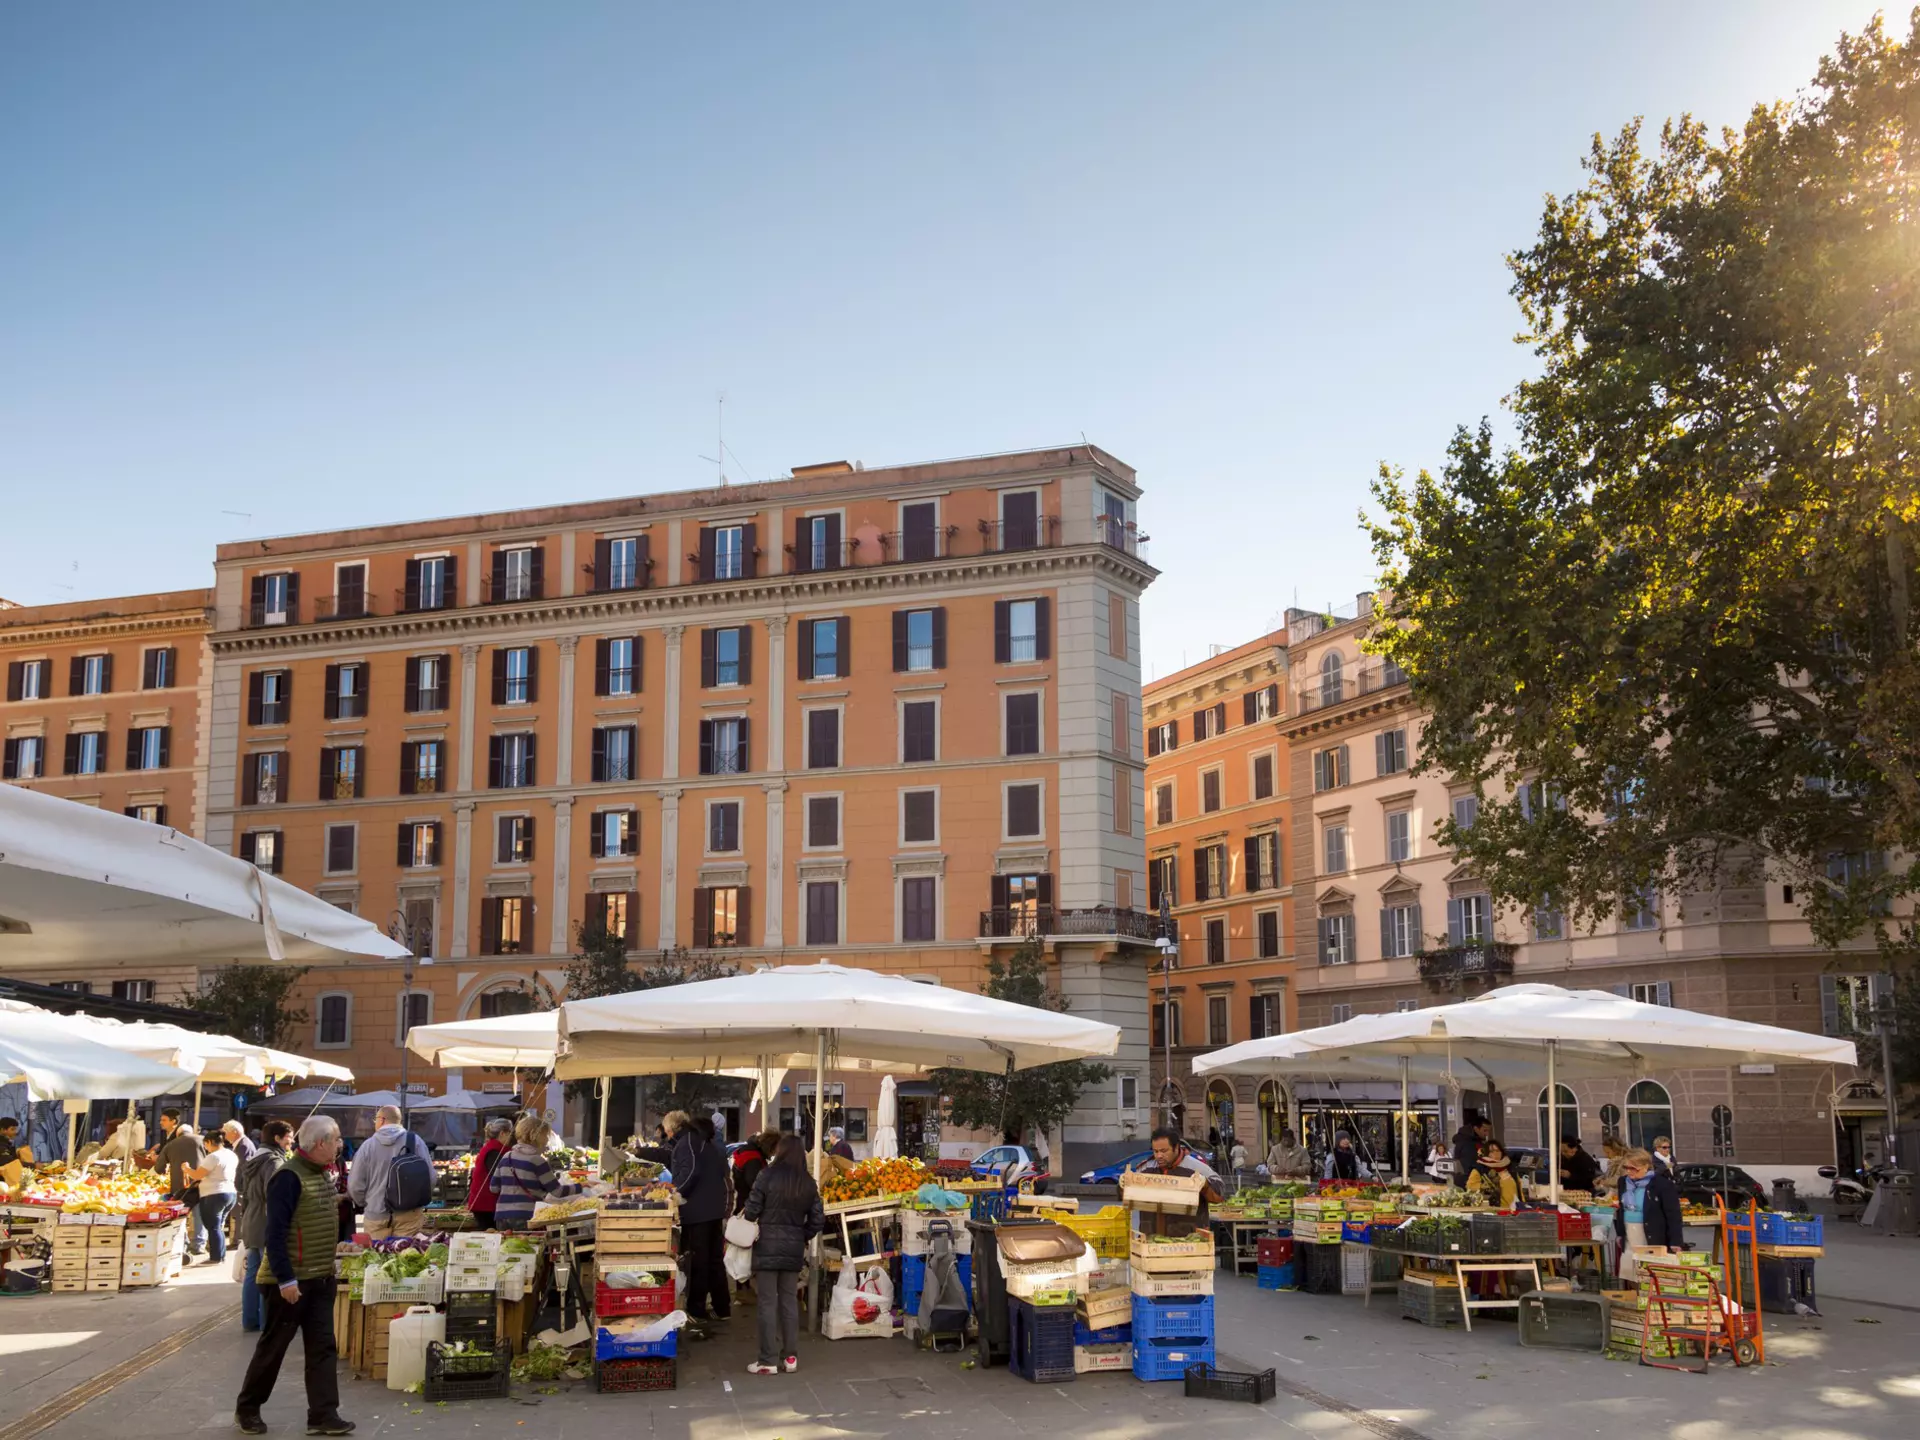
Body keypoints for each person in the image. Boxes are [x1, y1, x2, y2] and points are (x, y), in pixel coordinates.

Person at [234, 1115, 354, 1438]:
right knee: (273, 1349)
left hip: (320, 1278)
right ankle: (247, 1409)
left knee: (322, 1348)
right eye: (336, 1139)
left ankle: (324, 1414)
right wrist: (286, 1279)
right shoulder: (287, 1177)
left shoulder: (320, 1173)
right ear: (320, 1144)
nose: (340, 1145)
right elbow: (275, 1232)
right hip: (289, 1283)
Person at [742, 1134, 824, 1376]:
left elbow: (751, 1211)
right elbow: (818, 1220)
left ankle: (767, 1359)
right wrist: (800, 1235)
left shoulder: (766, 1175)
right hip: (793, 1249)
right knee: (789, 1302)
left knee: (767, 1302)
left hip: (766, 1246)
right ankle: (790, 1358)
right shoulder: (809, 1183)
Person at [667, 1110, 731, 1329]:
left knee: (698, 1262)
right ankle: (723, 1308)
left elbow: (690, 1172)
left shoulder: (688, 1143)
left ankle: (697, 1310)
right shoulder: (709, 1144)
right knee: (714, 1260)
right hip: (714, 1210)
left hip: (696, 1212)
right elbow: (723, 1175)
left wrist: (675, 1193)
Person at [238, 1121, 296, 1332]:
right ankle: (267, 1323)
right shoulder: (273, 1162)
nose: (292, 1141)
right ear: (277, 1139)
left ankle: (250, 1320)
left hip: (251, 1220)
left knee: (253, 1273)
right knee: (269, 1274)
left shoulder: (254, 1158)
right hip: (265, 1221)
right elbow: (275, 1197)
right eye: (289, 1137)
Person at [347, 1106, 430, 1239]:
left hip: (376, 1216)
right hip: (409, 1214)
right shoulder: (416, 1142)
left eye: (376, 1119)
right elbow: (430, 1178)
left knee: (376, 1256)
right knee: (407, 1256)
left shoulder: (367, 1147)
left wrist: (367, 1203)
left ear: (382, 1120)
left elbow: (355, 1185)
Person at [1614, 1146, 1684, 1281]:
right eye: (1626, 1167)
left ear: (1646, 1166)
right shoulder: (1623, 1182)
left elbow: (1673, 1214)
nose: (1629, 1172)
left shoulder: (1661, 1184)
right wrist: (1619, 1233)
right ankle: (1635, 1298)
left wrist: (1676, 1241)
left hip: (1651, 1232)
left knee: (1648, 1271)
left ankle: (1649, 1299)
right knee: (1630, 1270)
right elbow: (1621, 1208)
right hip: (1629, 1232)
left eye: (1634, 1168)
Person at [490, 1115, 571, 1230]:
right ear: (537, 1136)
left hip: (502, 1216)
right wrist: (581, 1186)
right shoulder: (537, 1161)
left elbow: (494, 1188)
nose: (547, 1139)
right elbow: (557, 1191)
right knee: (529, 1246)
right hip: (527, 1216)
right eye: (545, 1135)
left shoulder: (506, 1157)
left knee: (506, 1247)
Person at [1139, 1128, 1224, 1232]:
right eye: (1155, 1151)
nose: (1159, 1156)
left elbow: (1220, 1194)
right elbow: (1126, 1194)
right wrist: (1123, 1185)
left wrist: (1205, 1185)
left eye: (1164, 1151)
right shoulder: (1146, 1168)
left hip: (1189, 1239)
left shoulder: (1196, 1167)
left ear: (1176, 1148)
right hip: (1150, 1239)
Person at [150, 1113, 205, 1255]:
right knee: (199, 1214)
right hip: (201, 1183)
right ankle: (198, 1245)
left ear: (178, 1134)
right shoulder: (202, 1141)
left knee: (181, 1215)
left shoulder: (171, 1144)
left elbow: (159, 1168)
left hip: (179, 1186)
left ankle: (183, 1243)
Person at [186, 1130, 240, 1264]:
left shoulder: (213, 1156)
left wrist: (186, 1169)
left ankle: (216, 1257)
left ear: (210, 1142)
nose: (206, 1148)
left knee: (213, 1226)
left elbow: (198, 1175)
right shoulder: (231, 1154)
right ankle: (220, 1255)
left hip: (214, 1194)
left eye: (206, 1145)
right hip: (230, 1193)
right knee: (218, 1226)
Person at [467, 1118, 513, 1231]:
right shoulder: (494, 1151)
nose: (511, 1137)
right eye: (510, 1133)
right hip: (486, 1204)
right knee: (491, 1238)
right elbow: (499, 1177)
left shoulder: (491, 1148)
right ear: (503, 1133)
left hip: (484, 1203)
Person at [731, 1130, 777, 1215]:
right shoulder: (753, 1159)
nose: (774, 1154)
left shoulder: (748, 1153)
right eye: (774, 1150)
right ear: (770, 1147)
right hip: (748, 1206)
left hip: (743, 1202)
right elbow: (756, 1185)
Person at [1466, 1142, 1520, 1207]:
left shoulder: (1509, 1167)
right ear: (1486, 1153)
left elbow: (1519, 1189)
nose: (1496, 1153)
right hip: (1495, 1211)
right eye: (1492, 1151)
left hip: (1515, 1211)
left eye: (1498, 1151)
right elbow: (1470, 1187)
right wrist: (1483, 1187)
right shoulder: (1480, 1169)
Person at [1451, 1114, 1491, 1186]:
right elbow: (1468, 1164)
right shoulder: (1467, 1142)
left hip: (1470, 1180)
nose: (1487, 1134)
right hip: (1467, 1181)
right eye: (1485, 1130)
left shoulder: (1475, 1141)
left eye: (1488, 1131)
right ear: (1476, 1128)